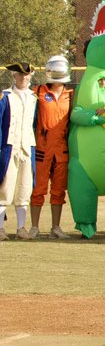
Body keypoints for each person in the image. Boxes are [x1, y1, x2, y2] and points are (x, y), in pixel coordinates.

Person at [30, 54, 73, 239]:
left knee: (58, 190)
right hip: (41, 149)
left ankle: (56, 227)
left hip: (61, 149)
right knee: (38, 189)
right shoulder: (37, 92)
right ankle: (34, 227)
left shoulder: (71, 95)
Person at [0, 62, 37, 240]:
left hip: (27, 147)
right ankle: (0, 228)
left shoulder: (34, 97)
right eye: (21, 75)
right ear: (14, 76)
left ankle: (21, 228)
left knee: (24, 189)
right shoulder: (5, 96)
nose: (24, 78)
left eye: (27, 75)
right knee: (4, 189)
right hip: (8, 147)